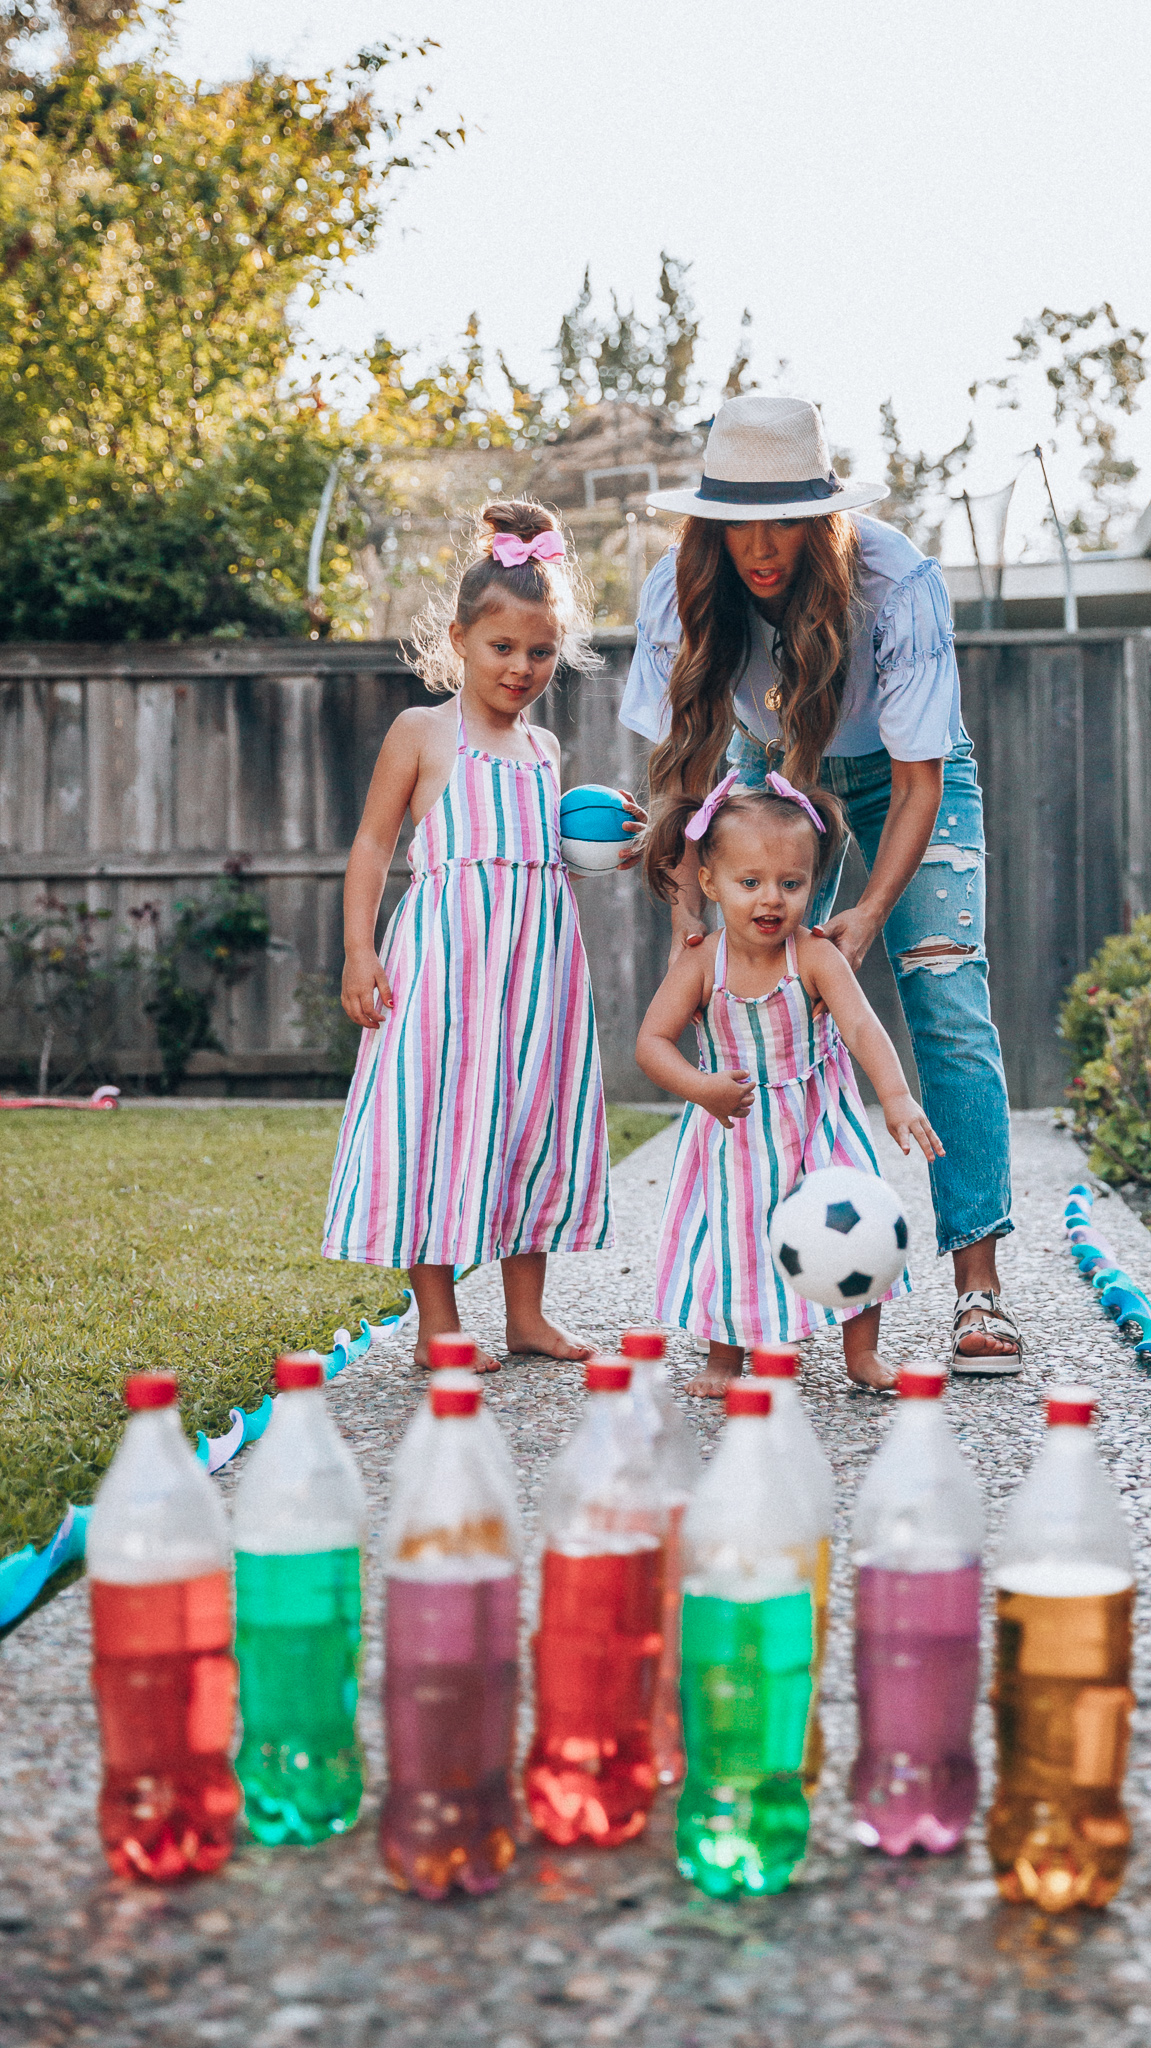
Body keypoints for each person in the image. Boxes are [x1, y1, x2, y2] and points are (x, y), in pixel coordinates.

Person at [622, 393, 1022, 1373]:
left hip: (906, 776)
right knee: (746, 1008)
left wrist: (870, 912)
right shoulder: (677, 592)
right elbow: (680, 768)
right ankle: (752, 1291)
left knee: (946, 997)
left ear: (823, 514)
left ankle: (979, 1289)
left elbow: (921, 774)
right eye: (739, 521)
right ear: (709, 518)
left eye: (785, 518)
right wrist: (687, 906)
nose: (761, 545)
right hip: (772, 768)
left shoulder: (899, 582)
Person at [324, 502, 633, 1369]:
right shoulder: (423, 734)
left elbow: (549, 858)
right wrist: (359, 950)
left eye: (540, 652)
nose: (522, 667)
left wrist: (619, 838)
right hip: (443, 977)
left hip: (537, 980)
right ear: (460, 638)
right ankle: (437, 1324)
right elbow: (374, 844)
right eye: (503, 647)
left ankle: (527, 1317)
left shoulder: (545, 753)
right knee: (435, 1125)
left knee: (531, 1126)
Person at [636, 778, 940, 1394]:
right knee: (733, 1235)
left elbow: (860, 1024)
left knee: (857, 1220)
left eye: (791, 883)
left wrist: (898, 1094)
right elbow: (651, 1043)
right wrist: (701, 1087)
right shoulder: (701, 962)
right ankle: (725, 1358)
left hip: (820, 1116)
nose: (771, 899)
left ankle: (862, 1355)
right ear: (710, 883)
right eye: (750, 883)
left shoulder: (814, 955)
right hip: (735, 1127)